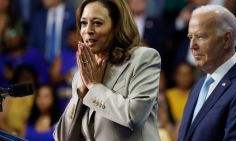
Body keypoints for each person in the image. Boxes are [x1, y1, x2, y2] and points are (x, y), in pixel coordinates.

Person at [53, 0, 161, 141]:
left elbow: (133, 116)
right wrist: (80, 93)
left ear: (117, 26)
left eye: (97, 23)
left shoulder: (143, 58)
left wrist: (94, 87)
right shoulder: (84, 74)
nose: (88, 30)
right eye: (83, 23)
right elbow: (63, 138)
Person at [178, 5, 236, 141]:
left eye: (200, 37)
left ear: (227, 39)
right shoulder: (198, 86)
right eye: (190, 37)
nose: (192, 45)